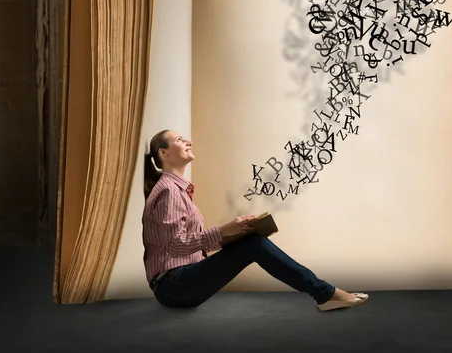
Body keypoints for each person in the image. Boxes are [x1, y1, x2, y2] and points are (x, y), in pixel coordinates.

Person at [142, 129, 369, 311]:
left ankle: (325, 293)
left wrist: (234, 234)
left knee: (251, 241)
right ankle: (326, 294)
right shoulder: (169, 191)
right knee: (255, 245)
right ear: (164, 153)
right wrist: (223, 230)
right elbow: (175, 246)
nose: (188, 141)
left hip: (179, 284)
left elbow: (189, 245)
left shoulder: (176, 190)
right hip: (172, 286)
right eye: (180, 140)